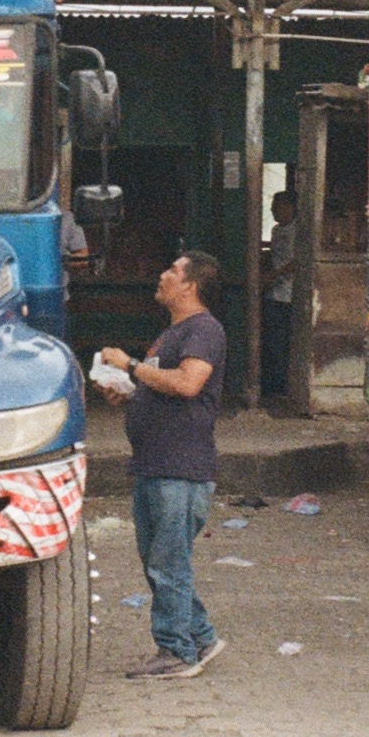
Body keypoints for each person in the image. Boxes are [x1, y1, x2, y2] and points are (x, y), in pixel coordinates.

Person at [95, 251, 228, 681]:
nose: (162, 274)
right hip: (155, 463)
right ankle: (201, 636)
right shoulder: (171, 334)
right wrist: (131, 391)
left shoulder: (204, 330)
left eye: (172, 270)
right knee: (161, 561)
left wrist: (130, 366)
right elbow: (164, 386)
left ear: (190, 286)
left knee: (168, 564)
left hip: (180, 467)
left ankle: (176, 652)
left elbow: (189, 384)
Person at [261, 189, 299, 401]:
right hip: (274, 294)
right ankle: (274, 386)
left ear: (292, 208)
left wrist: (273, 275)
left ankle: (284, 388)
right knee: (273, 343)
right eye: (273, 207)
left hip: (290, 295)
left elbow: (298, 261)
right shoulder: (277, 231)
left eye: (279, 207)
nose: (274, 211)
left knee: (283, 343)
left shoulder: (298, 231)